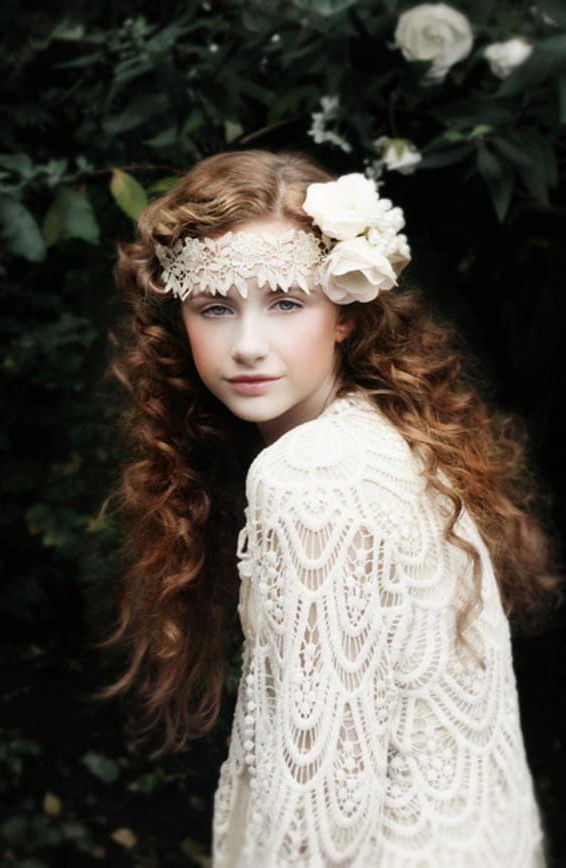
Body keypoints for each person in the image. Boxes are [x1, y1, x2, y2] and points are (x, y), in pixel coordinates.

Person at [105, 149, 559, 867]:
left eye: (286, 302)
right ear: (180, 318)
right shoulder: (386, 437)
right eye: (215, 306)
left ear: (346, 313)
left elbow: (319, 826)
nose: (248, 345)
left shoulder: (313, 477)